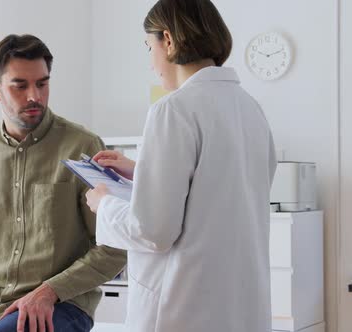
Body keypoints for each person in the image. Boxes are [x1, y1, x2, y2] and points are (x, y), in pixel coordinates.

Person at [85, 1, 277, 331]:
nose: (151, 63)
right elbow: (218, 189)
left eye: (149, 47)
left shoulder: (173, 110)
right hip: (239, 306)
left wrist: (104, 205)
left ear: (169, 40)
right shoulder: (250, 108)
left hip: (185, 308)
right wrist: (142, 169)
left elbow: (153, 231)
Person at [0, 34, 126, 332]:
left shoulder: (82, 145)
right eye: (20, 86)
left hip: (61, 302)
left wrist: (49, 291)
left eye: (42, 84)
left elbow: (114, 245)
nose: (35, 96)